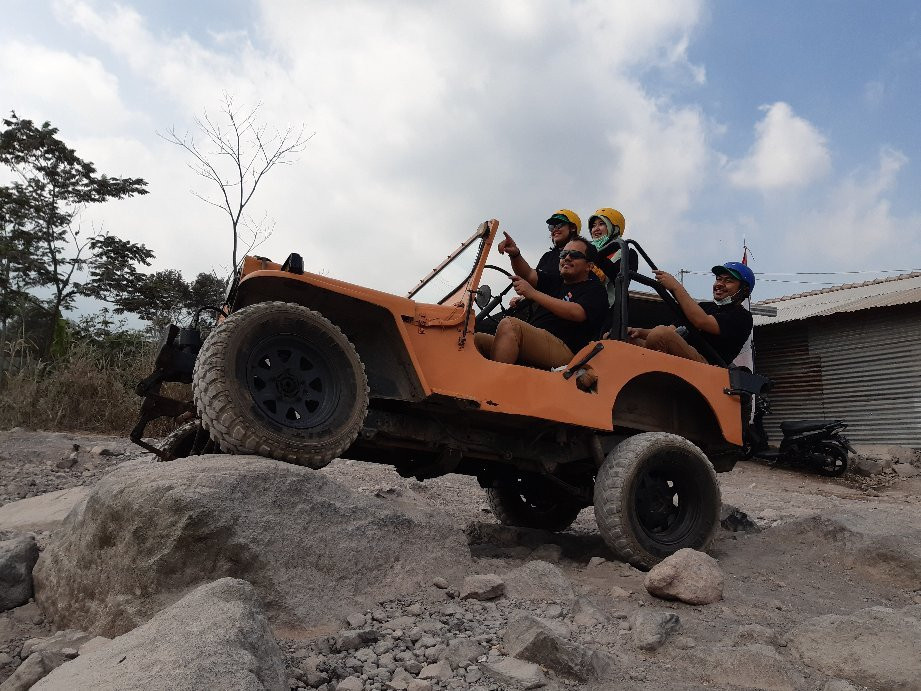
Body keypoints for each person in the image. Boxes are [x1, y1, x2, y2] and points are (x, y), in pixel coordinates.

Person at [474, 236, 608, 369]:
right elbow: (528, 274)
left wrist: (533, 293)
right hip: (535, 342)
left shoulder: (595, 289)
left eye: (575, 255)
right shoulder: (556, 282)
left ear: (589, 266)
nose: (567, 258)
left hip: (567, 353)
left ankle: (495, 386)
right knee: (475, 339)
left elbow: (577, 312)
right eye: (564, 254)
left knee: (510, 325)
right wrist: (515, 255)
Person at [627, 262, 754, 364]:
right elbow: (672, 330)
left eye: (728, 281)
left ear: (744, 290)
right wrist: (639, 331)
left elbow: (701, 321)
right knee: (621, 337)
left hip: (708, 368)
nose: (719, 284)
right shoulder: (705, 307)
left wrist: (676, 287)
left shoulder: (742, 317)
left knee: (660, 334)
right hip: (682, 358)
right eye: (719, 279)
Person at [586, 207, 637, 305]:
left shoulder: (626, 252)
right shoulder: (584, 248)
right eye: (593, 226)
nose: (596, 229)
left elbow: (620, 281)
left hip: (608, 306)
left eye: (601, 224)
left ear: (615, 228)